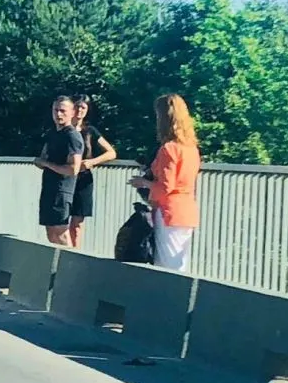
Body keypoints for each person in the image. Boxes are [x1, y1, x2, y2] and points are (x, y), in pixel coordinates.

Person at [130, 94, 202, 272]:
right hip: (187, 210)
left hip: (168, 211)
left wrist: (143, 182)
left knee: (166, 266)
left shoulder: (169, 149)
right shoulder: (191, 149)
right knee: (179, 263)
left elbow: (165, 187)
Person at [66, 95, 118, 248]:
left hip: (83, 179)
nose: (79, 110)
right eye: (77, 106)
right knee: (61, 223)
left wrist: (92, 162)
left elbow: (111, 153)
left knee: (77, 224)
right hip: (65, 177)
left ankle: (75, 253)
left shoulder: (90, 131)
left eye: (83, 107)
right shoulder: (64, 129)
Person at [35, 95, 84, 246]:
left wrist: (47, 163)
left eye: (63, 111)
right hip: (49, 188)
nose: (58, 114)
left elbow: (73, 169)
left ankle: (70, 260)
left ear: (72, 113)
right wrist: (42, 162)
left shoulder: (72, 136)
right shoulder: (52, 134)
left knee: (61, 232)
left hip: (62, 190)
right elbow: (43, 157)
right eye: (56, 110)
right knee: (51, 232)